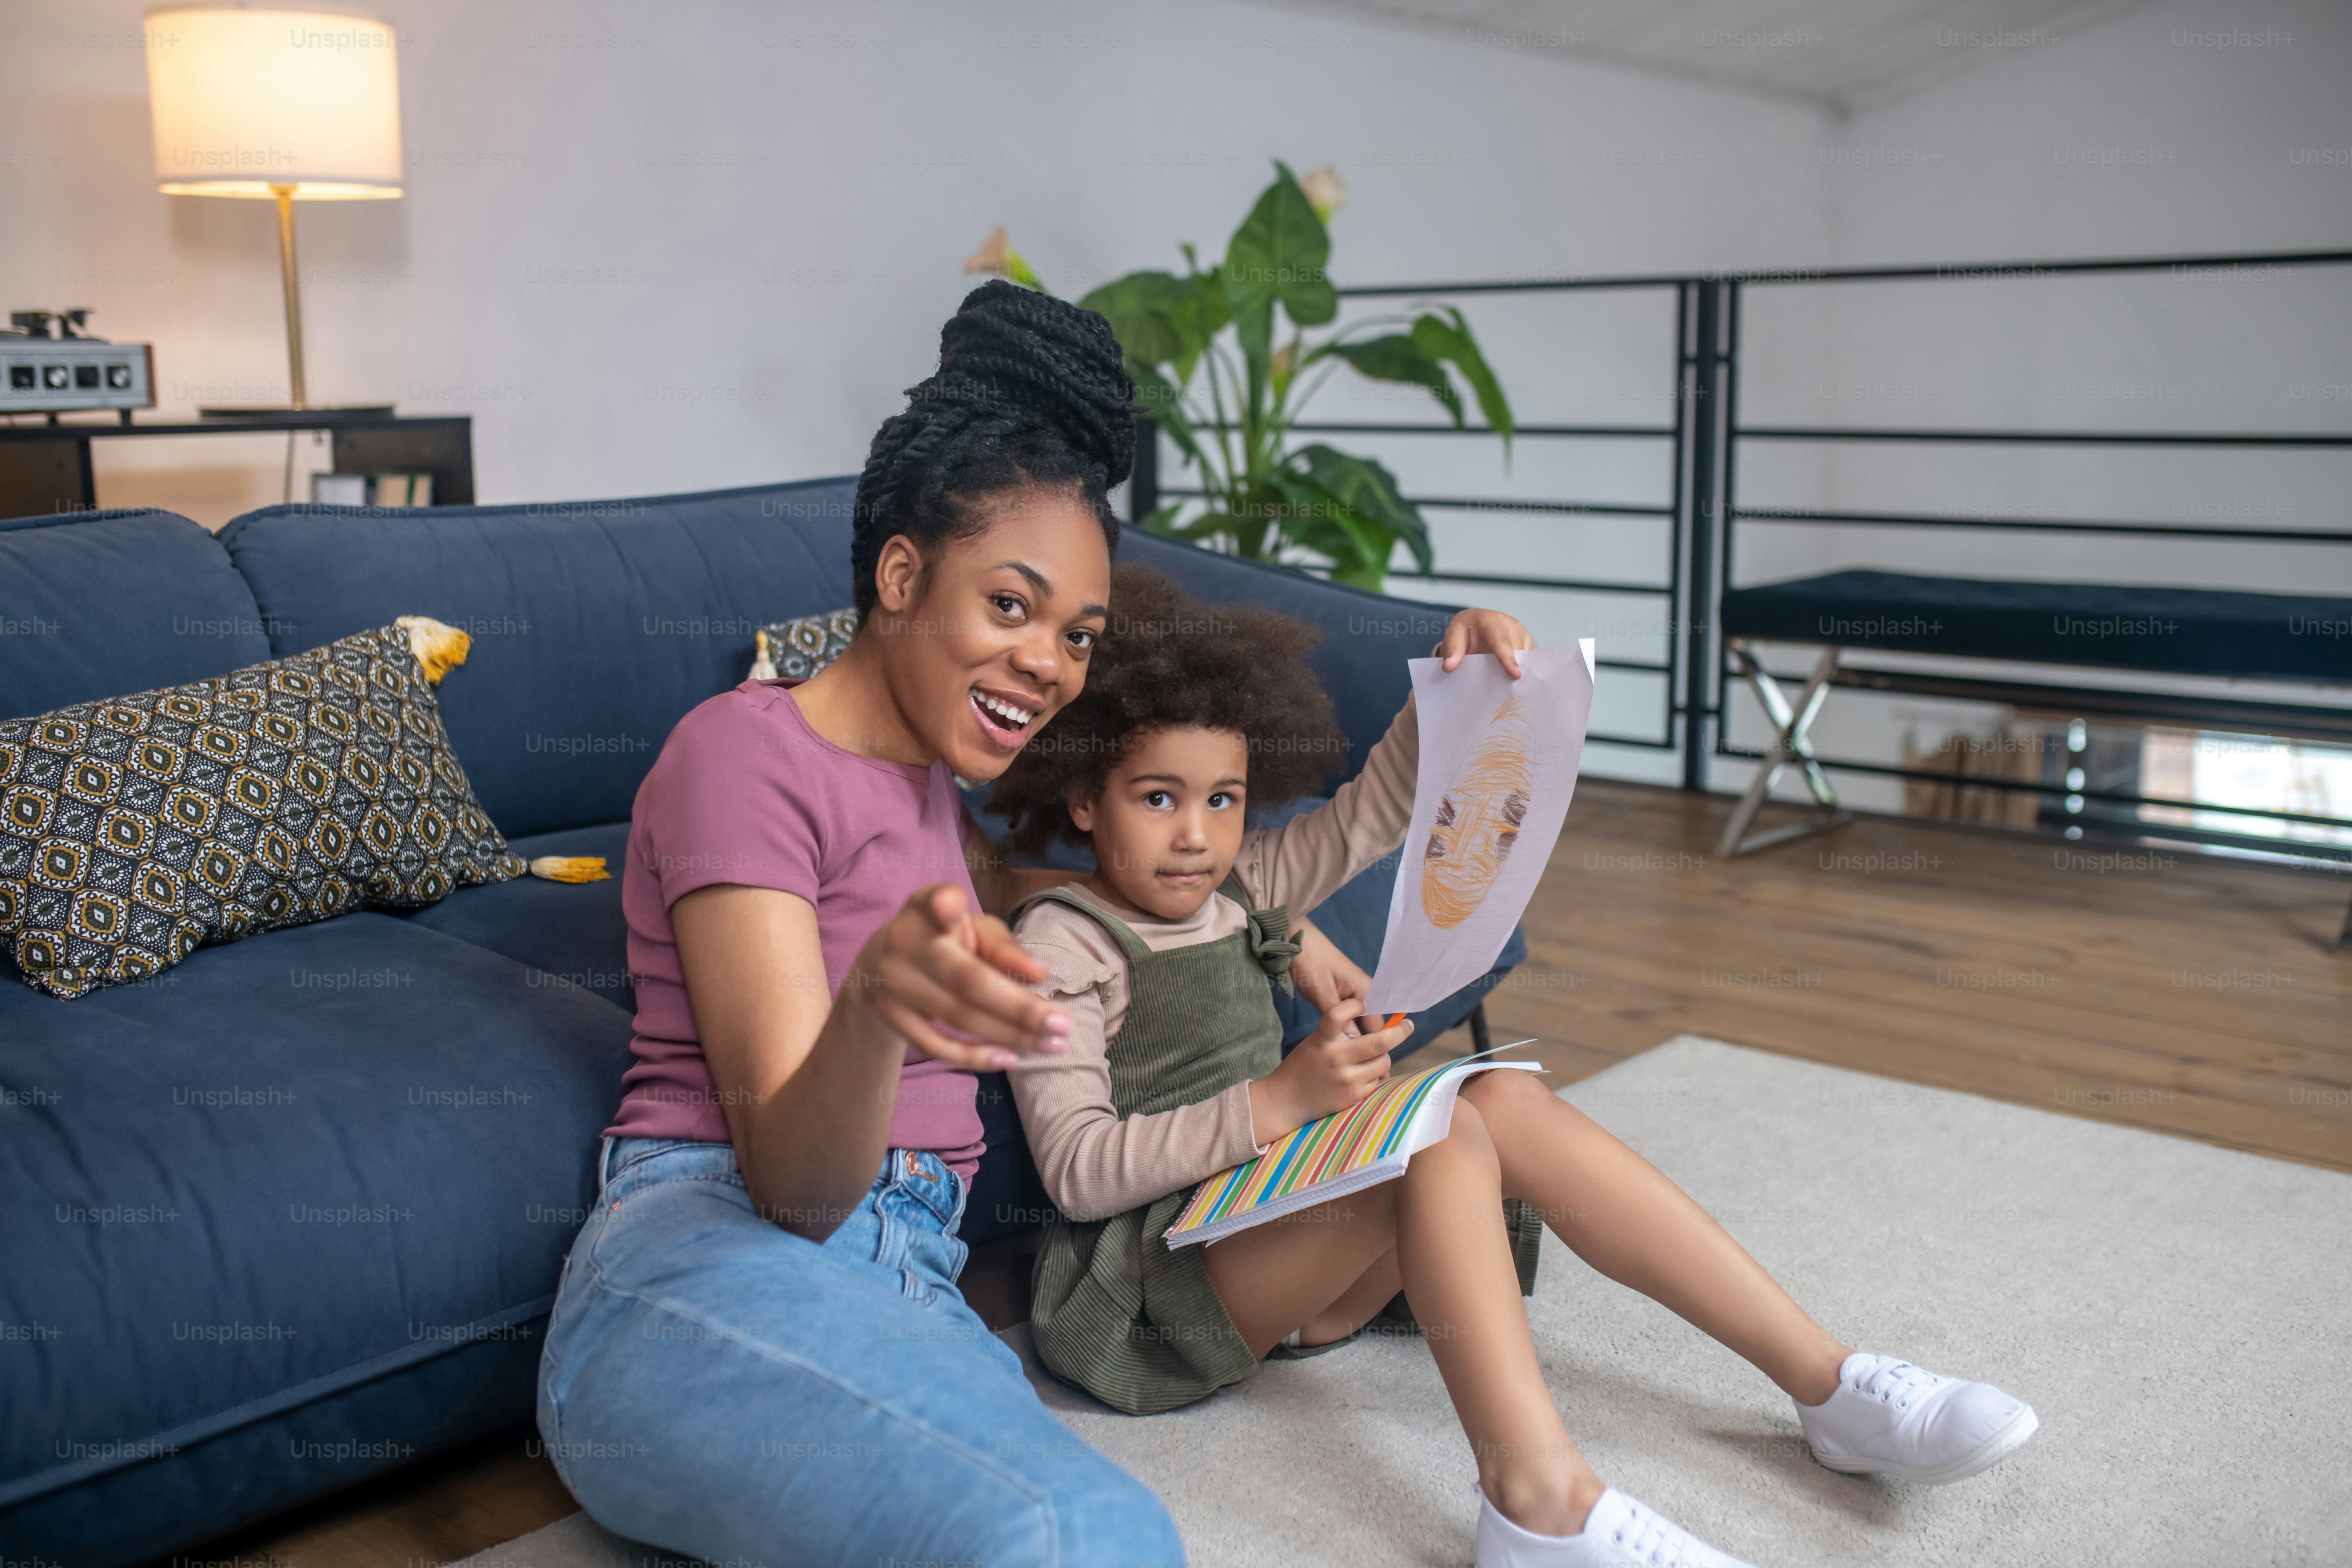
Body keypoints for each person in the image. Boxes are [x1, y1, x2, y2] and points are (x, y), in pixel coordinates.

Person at [532, 282, 1400, 1566]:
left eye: (1078, 634)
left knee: (1102, 1538)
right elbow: (793, 1189)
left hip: (907, 1281)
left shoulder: (941, 797)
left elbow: (1132, 889)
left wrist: (1297, 921)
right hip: (706, 1256)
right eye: (1011, 606)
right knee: (1078, 1531)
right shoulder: (742, 755)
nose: (1051, 662)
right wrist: (881, 1005)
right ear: (901, 576)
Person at [986, 566, 2040, 1568]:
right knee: (1442, 1140)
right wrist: (1282, 1099)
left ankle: (1828, 1385)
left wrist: (1462, 690)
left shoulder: (1246, 887)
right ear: (1084, 798)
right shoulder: (1064, 942)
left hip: (1288, 1245)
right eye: (1157, 799)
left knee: (1504, 1096)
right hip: (1155, 1293)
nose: (1195, 836)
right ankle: (1540, 1505)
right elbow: (1078, 1172)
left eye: (1223, 799)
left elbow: (1375, 811)